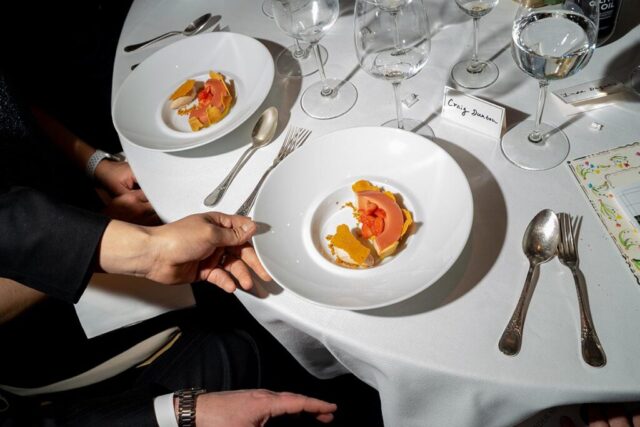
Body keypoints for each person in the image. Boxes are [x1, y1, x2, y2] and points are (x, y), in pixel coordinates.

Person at [0, 66, 383, 426]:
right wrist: (108, 237)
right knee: (252, 311)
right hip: (57, 330)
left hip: (96, 217)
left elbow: (12, 111)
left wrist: (97, 165)